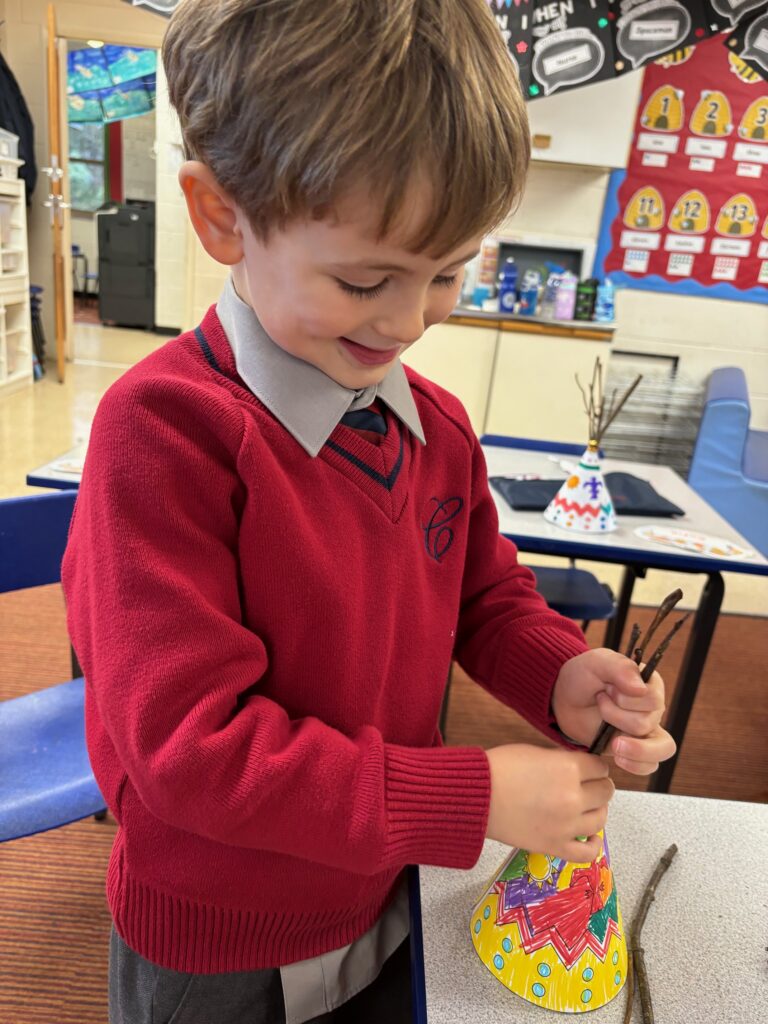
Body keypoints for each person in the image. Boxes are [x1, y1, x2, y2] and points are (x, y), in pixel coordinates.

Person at [62, 1, 676, 1021]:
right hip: (220, 941)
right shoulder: (163, 435)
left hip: (384, 889)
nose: (406, 322)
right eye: (363, 280)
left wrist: (563, 673)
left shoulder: (434, 425)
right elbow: (191, 749)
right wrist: (470, 796)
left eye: (447, 273)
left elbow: (487, 597)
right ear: (223, 218)